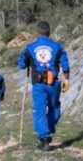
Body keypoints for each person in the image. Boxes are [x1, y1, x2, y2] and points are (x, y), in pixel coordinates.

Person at [18, 21, 70, 151]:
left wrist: (28, 60)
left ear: (37, 32)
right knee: (55, 107)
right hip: (54, 84)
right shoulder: (58, 47)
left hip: (39, 85)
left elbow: (21, 65)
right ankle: (49, 129)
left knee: (39, 110)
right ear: (49, 31)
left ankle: (45, 138)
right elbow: (66, 66)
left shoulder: (30, 47)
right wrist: (67, 80)